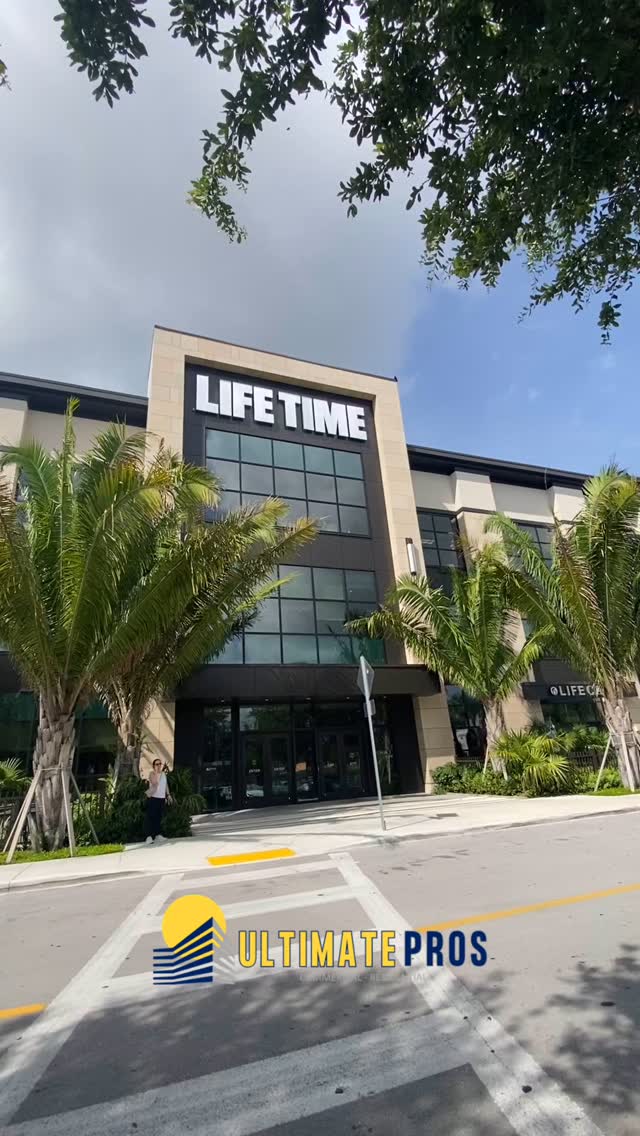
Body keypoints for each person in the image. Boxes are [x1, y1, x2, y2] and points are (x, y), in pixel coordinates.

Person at [144, 759, 173, 844]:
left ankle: (158, 835)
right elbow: (154, 783)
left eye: (160, 764)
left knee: (158, 817)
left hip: (161, 798)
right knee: (151, 817)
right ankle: (149, 837)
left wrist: (168, 795)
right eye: (157, 764)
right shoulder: (152, 773)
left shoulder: (164, 774)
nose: (159, 765)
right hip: (153, 798)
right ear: (153, 766)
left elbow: (166, 785)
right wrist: (157, 773)